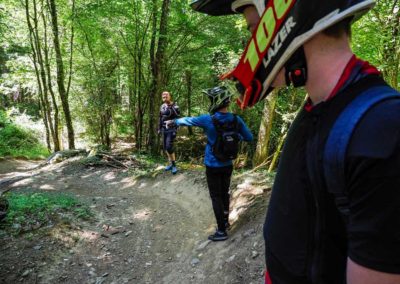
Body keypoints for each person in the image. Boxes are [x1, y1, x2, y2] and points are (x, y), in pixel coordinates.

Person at [190, 0, 400, 283]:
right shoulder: (320, 106)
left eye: (254, 31)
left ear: (286, 17)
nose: (248, 50)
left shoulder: (382, 129)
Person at [166, 86, 253, 241]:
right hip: (228, 164)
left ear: (216, 101)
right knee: (224, 193)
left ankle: (221, 231)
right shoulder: (236, 119)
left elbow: (189, 120)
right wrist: (234, 137)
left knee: (216, 196)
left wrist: (174, 121)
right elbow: (249, 138)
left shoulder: (208, 119)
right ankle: (225, 222)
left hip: (213, 165)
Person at [159, 91, 180, 175]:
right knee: (165, 147)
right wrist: (159, 128)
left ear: (170, 96)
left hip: (172, 129)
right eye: (163, 95)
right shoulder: (162, 106)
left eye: (166, 95)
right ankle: (170, 164)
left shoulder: (175, 105)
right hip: (164, 129)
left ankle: (174, 165)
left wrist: (171, 107)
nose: (164, 97)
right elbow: (160, 117)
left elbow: (178, 117)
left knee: (169, 146)